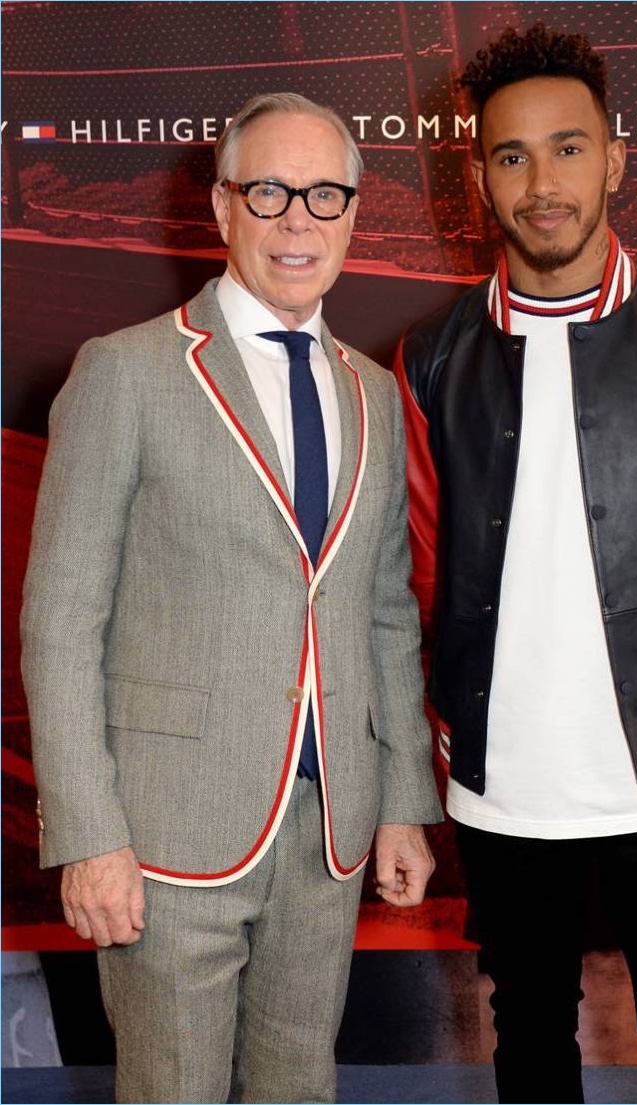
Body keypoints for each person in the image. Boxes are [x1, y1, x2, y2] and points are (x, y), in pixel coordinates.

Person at [394, 24, 637, 1105]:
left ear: (614, 159)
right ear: (477, 177)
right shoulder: (432, 356)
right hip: (503, 781)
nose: (542, 182)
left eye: (567, 149)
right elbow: (426, 563)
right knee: (527, 1042)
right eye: (511, 156)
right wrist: (459, 713)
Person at [22, 91, 441, 1105]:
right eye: (269, 191)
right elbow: (60, 621)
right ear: (221, 210)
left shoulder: (372, 393)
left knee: (299, 1086)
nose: (298, 219)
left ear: (351, 213)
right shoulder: (124, 373)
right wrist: (88, 834)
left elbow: (384, 613)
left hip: (327, 831)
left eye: (324, 194)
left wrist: (399, 806)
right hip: (165, 837)